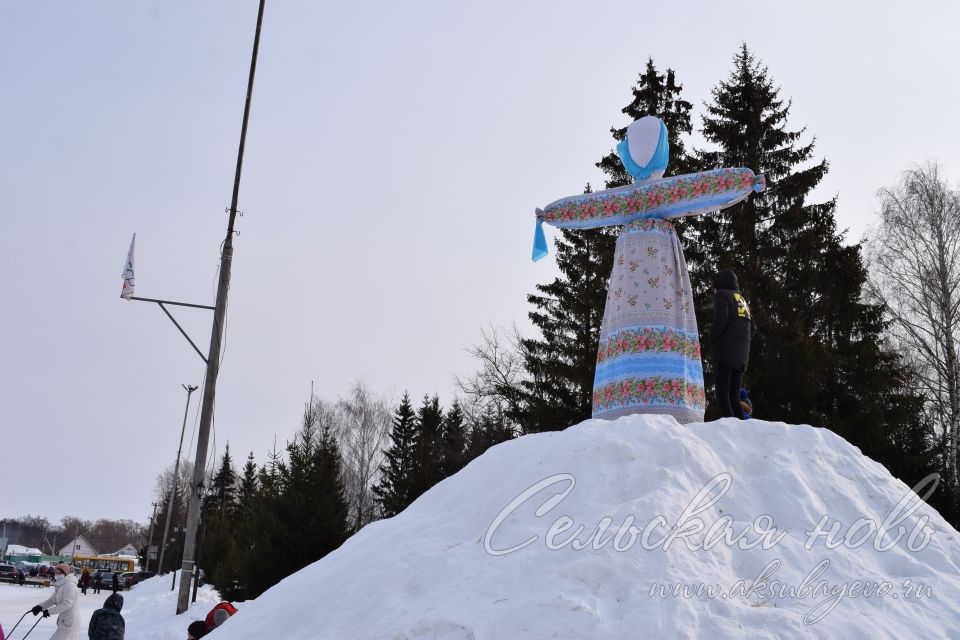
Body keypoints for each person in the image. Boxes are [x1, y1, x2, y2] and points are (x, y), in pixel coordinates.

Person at [712, 269, 755, 419]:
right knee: (734, 394)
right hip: (743, 354)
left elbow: (720, 320)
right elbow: (753, 327)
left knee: (722, 392)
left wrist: (714, 339)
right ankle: (740, 425)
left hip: (726, 351)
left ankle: (730, 424)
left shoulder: (722, 295)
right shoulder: (742, 300)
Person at [32, 563, 81, 640]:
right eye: (56, 573)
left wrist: (49, 611)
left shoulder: (69, 586)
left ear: (66, 573)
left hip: (69, 623)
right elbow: (52, 600)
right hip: (64, 622)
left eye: (60, 573)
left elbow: (67, 604)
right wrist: (39, 607)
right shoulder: (61, 585)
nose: (57, 575)